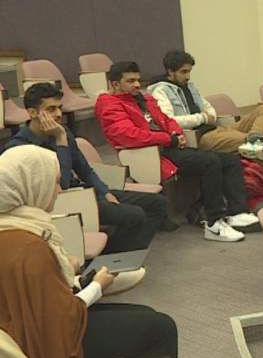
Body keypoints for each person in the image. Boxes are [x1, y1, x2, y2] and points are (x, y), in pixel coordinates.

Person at [0, 146, 178, 358]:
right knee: (161, 328)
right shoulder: (29, 246)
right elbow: (61, 319)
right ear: (32, 185)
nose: (60, 190)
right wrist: (96, 286)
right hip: (50, 340)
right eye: (54, 182)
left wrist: (65, 271)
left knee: (148, 316)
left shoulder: (12, 227)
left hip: (28, 330)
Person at [94, 61, 258, 243]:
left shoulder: (143, 99)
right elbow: (129, 135)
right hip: (151, 154)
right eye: (130, 81)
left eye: (138, 80)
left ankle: (237, 212)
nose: (137, 85)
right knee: (210, 162)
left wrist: (177, 134)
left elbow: (167, 119)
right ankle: (214, 223)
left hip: (169, 147)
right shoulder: (109, 105)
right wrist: (169, 139)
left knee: (229, 160)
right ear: (115, 84)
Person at [3, 82, 170, 252]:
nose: (59, 114)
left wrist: (105, 192)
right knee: (134, 215)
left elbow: (84, 169)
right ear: (32, 113)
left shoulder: (63, 132)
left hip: (84, 193)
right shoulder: (19, 148)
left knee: (157, 203)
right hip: (62, 202)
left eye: (60, 108)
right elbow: (63, 183)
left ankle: (115, 254)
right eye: (51, 109)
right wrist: (61, 141)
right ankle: (107, 261)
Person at [147, 50, 263, 161]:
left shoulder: (189, 86)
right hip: (202, 136)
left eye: (189, 71)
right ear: (170, 71)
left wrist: (209, 116)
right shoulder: (161, 91)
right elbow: (170, 121)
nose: (188, 76)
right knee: (262, 144)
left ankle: (254, 135)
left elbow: (209, 108)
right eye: (183, 72)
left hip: (217, 128)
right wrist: (203, 117)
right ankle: (259, 186)